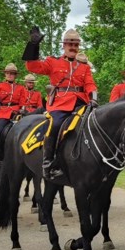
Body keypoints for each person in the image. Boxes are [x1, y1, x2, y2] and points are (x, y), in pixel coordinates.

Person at [23, 28, 97, 181]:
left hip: (81, 103)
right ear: (63, 45)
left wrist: (94, 98)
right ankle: (48, 162)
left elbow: (90, 84)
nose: (73, 47)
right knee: (55, 124)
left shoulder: (84, 67)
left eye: (76, 44)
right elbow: (32, 67)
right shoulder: (53, 62)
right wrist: (33, 45)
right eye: (70, 44)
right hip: (60, 103)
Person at [0, 63, 29, 144]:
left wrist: (21, 110)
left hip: (16, 113)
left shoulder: (21, 88)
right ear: (5, 74)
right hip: (3, 112)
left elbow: (23, 103)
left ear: (15, 75)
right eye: (7, 73)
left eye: (12, 73)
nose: (9, 75)